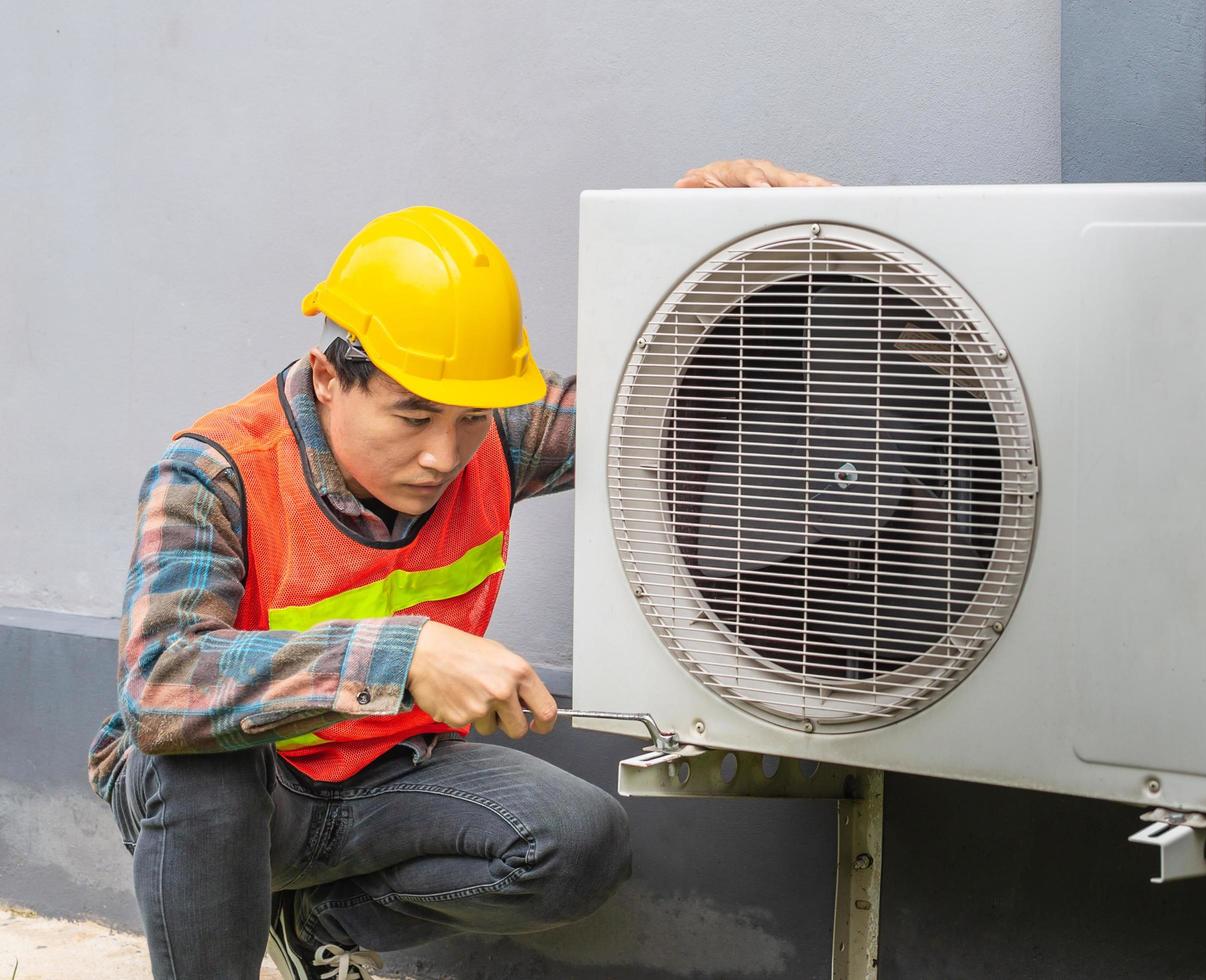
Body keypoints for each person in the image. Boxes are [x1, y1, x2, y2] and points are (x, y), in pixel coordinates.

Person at [87, 158, 834, 979]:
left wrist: (774, 252)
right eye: (411, 415)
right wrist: (403, 655)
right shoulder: (216, 469)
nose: (444, 454)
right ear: (331, 376)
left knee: (578, 843)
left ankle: (312, 922)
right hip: (245, 793)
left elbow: (675, 400)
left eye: (472, 417)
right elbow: (161, 684)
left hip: (390, 774)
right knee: (202, 762)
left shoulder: (501, 442)